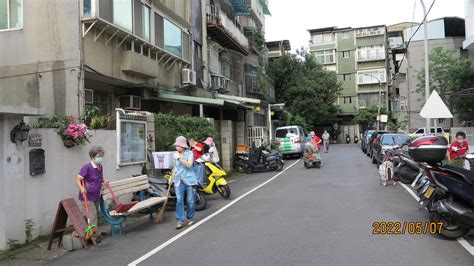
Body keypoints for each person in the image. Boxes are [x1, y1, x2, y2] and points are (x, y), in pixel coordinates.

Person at [75, 146, 108, 242]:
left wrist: (105, 181)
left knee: (89, 215)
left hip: (96, 194)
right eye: (98, 156)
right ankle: (93, 235)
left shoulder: (100, 167)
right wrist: (81, 188)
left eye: (102, 156)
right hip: (87, 195)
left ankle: (79, 231)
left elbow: (100, 177)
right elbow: (78, 180)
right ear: (92, 157)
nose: (100, 158)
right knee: (92, 215)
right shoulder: (87, 167)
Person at [172, 136, 198, 229]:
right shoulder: (175, 154)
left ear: (183, 146)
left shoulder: (190, 153)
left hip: (190, 180)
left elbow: (189, 165)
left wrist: (179, 159)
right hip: (178, 181)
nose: (177, 147)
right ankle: (180, 220)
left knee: (190, 201)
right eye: (176, 146)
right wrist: (172, 177)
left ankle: (190, 218)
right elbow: (174, 167)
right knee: (179, 200)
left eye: (178, 146)